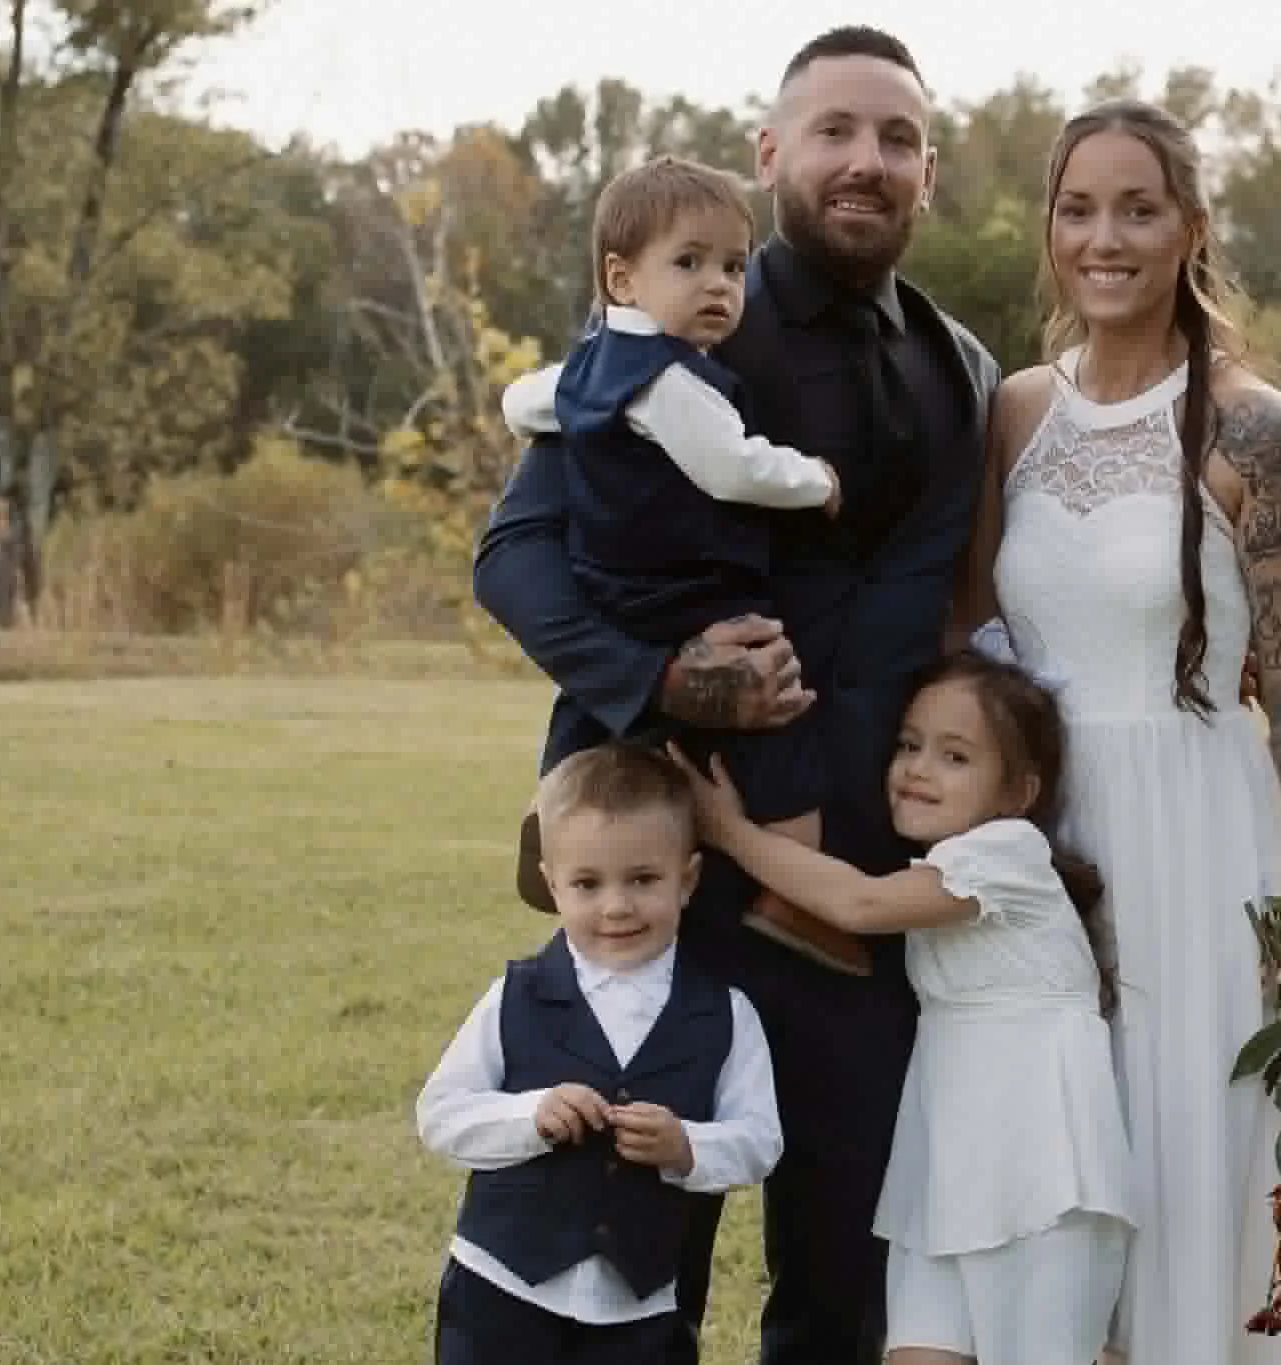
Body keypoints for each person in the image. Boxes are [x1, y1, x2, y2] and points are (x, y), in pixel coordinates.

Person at [472, 26, 997, 1365]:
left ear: (928, 173)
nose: (863, 161)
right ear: (771, 153)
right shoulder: (670, 317)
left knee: (844, 1265)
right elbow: (516, 556)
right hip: (672, 872)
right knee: (628, 1262)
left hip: (859, 896)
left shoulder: (968, 370)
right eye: (834, 131)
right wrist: (663, 682)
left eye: (895, 139)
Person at [962, 99, 1281, 1363]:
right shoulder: (1016, 411)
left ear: (1189, 229)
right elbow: (975, 634)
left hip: (1191, 836)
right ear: (1050, 228)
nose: (1104, 237)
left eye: (1137, 209)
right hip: (1042, 841)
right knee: (1061, 1173)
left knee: (1184, 1167)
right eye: (1078, 209)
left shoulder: (1253, 428)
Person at [671, 647, 1135, 1365]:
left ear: (1020, 792)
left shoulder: (1009, 853)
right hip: (945, 1170)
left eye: (955, 756)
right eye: (909, 745)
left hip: (1040, 1171)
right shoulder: (938, 867)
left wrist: (726, 830)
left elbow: (855, 902)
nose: (917, 768)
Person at [499, 153, 864, 977]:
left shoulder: (592, 367)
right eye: (690, 264)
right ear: (621, 279)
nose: (719, 287)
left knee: (594, 713)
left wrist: (547, 420)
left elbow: (521, 399)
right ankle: (799, 897)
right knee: (781, 714)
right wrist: (818, 482)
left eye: (735, 267)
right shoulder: (671, 380)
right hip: (692, 589)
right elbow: (732, 466)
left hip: (613, 587)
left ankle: (555, 806)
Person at [415, 743, 784, 1365]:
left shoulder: (725, 1013)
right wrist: (528, 1117)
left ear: (687, 880)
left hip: (636, 1309)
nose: (616, 906)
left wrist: (688, 1146)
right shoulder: (518, 994)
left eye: (643, 880)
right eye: (587, 884)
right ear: (552, 886)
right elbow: (441, 1114)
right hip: (501, 1292)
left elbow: (759, 1139)